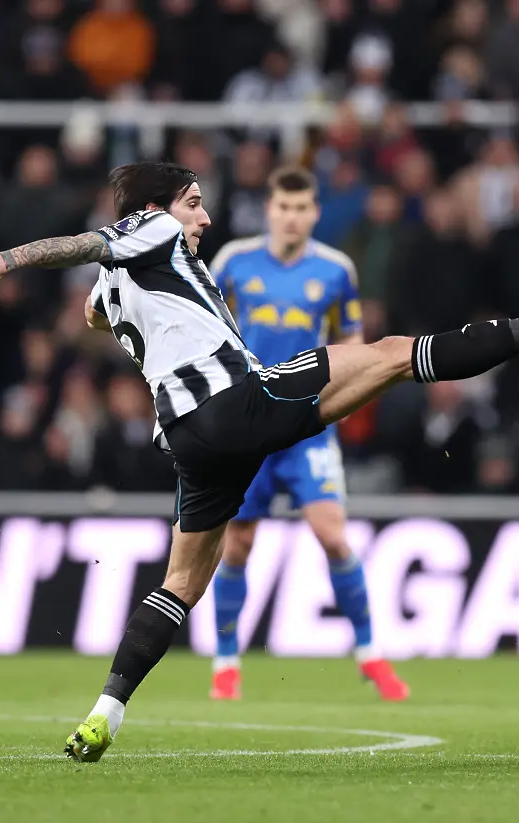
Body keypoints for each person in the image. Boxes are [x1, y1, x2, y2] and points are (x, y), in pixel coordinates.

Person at [0, 161, 519, 761]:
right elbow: (83, 244)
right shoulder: (149, 228)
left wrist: (118, 303)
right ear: (161, 207)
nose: (205, 217)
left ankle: (105, 711)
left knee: (181, 583)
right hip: (237, 400)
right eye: (194, 203)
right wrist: (3, 261)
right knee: (394, 353)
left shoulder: (120, 280)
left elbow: (96, 314)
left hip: (189, 440)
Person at [206, 166, 409, 702]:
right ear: (269, 209)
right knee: (238, 544)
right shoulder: (232, 262)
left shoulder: (336, 270)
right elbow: (210, 329)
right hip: (249, 423)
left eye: (302, 208)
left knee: (333, 535)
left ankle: (370, 654)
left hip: (307, 425)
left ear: (314, 212)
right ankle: (226, 663)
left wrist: (344, 402)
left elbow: (353, 342)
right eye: (283, 207)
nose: (292, 217)